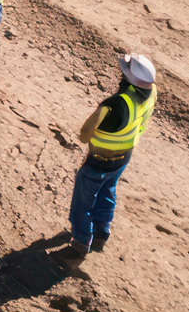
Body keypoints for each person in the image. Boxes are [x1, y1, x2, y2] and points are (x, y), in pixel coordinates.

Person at [62, 54, 158, 258]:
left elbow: (84, 134)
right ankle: (101, 234)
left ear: (128, 80)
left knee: (83, 202)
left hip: (98, 162)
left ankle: (80, 242)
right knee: (108, 192)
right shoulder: (152, 91)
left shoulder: (114, 104)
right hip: (124, 157)